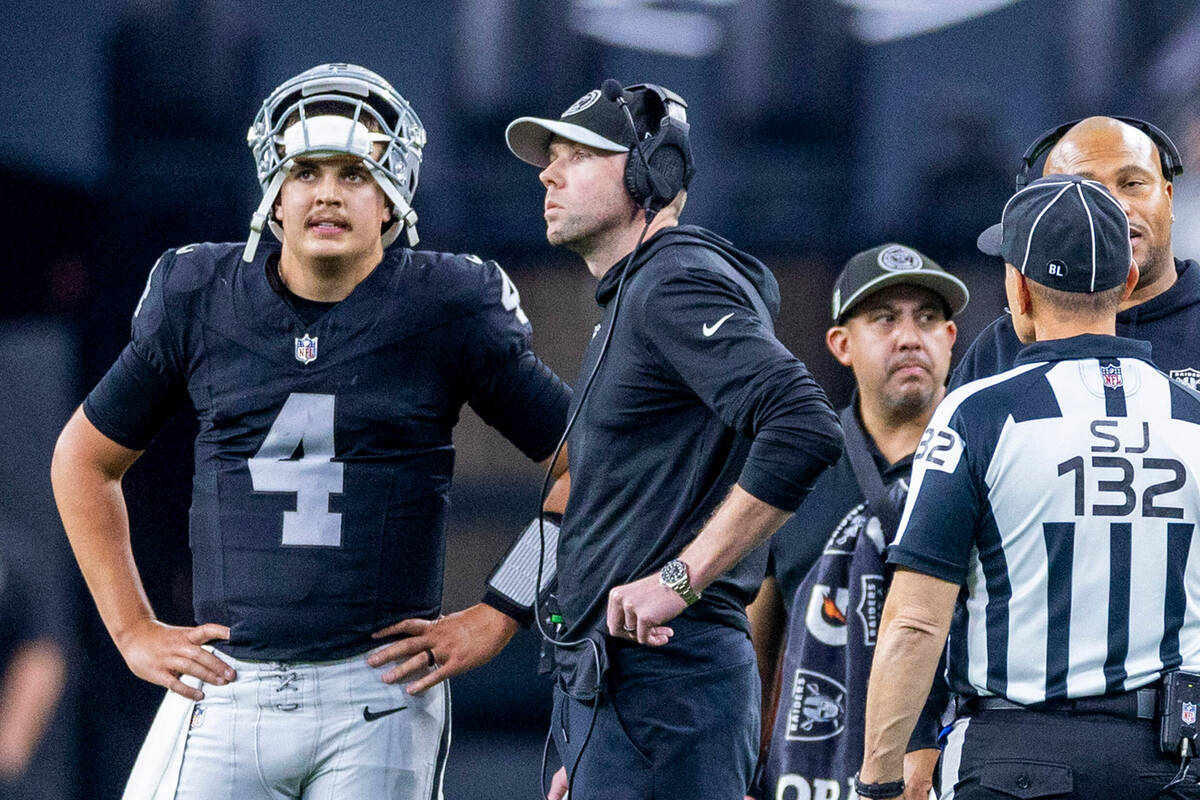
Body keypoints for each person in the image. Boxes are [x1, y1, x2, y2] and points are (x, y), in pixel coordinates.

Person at [50, 62, 571, 800]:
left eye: (355, 172)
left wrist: (501, 612)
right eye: (307, 170)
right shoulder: (200, 295)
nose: (327, 192)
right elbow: (82, 462)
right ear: (275, 191)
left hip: (379, 696)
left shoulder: (448, 306)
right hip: (225, 687)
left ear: (392, 199)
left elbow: (589, 470)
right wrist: (132, 626)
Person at [505, 81, 844, 799]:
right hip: (622, 701)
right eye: (549, 158)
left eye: (576, 155)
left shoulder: (675, 284)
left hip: (668, 687)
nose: (548, 173)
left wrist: (683, 577)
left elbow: (803, 421)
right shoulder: (636, 297)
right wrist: (587, 734)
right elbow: (604, 503)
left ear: (648, 173)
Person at [857, 174, 1200, 800]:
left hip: (1017, 759)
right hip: (1173, 762)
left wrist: (878, 782)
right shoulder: (1193, 416)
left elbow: (913, 624)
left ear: (1017, 287)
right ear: (1127, 283)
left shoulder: (975, 414)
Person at [748, 244, 967, 800]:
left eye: (926, 318)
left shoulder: (987, 459)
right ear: (841, 345)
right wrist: (740, 772)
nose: (909, 336)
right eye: (884, 319)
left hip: (961, 773)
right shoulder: (795, 470)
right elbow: (754, 650)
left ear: (949, 338)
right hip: (808, 778)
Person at [952, 116, 1200, 389]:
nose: (1114, 207)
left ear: (1169, 198)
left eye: (1132, 184)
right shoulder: (998, 349)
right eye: (1083, 191)